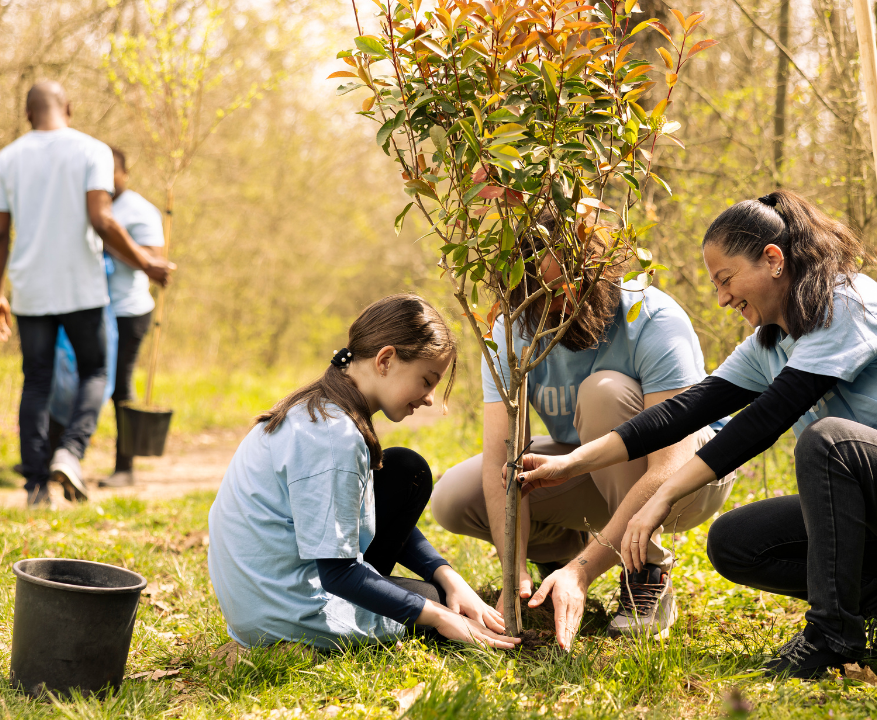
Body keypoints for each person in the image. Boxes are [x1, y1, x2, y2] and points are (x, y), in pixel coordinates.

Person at [517, 190, 877, 676]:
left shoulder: (847, 304)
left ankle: (833, 637)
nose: (721, 298)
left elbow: (766, 420)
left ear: (772, 259)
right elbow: (687, 409)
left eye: (726, 279)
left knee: (830, 442)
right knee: (736, 542)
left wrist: (663, 494)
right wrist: (573, 462)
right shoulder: (774, 340)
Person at [431, 214, 735, 644]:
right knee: (455, 497)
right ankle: (557, 557)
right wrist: (511, 570)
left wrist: (584, 573)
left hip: (690, 475)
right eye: (548, 295)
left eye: (575, 287)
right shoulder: (512, 329)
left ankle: (644, 572)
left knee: (603, 393)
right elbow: (503, 459)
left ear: (602, 273)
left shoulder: (651, 316)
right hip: (594, 469)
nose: (564, 304)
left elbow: (672, 462)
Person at [208, 294, 519, 651]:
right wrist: (438, 615)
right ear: (386, 360)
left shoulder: (321, 408)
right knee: (432, 605)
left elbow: (355, 512)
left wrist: (446, 574)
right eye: (426, 380)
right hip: (282, 613)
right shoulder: (334, 438)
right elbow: (337, 574)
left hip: (261, 600)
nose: (430, 398)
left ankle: (412, 593)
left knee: (406, 471)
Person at [0, 80, 174, 508]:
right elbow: (102, 219)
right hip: (82, 289)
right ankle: (70, 452)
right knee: (96, 373)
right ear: (68, 108)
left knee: (36, 382)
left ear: (27, 113)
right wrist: (148, 263)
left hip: (30, 289)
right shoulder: (93, 151)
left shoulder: (5, 159)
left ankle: (35, 487)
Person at [100, 147, 165, 488]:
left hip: (128, 310)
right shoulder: (91, 202)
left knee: (120, 386)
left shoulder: (139, 210)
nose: (106, 177)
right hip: (91, 307)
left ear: (124, 172)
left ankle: (124, 467)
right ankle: (51, 456)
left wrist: (110, 240)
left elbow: (155, 260)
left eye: (112, 170)